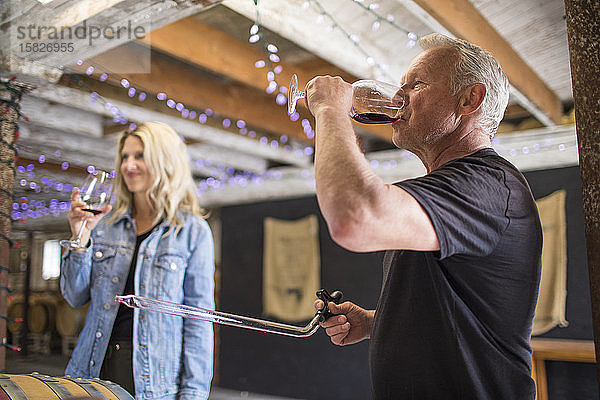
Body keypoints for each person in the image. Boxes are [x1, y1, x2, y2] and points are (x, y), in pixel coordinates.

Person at [307, 33, 542, 399]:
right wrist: (376, 322)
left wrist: (329, 110)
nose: (398, 98)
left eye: (415, 85)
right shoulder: (452, 188)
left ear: (469, 99)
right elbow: (458, 304)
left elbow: (354, 218)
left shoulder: (488, 185)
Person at [60, 121, 215, 400]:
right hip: (91, 370)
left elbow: (199, 321)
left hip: (151, 379)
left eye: (139, 155)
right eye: (124, 157)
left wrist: (193, 393)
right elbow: (74, 296)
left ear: (164, 160)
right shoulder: (105, 225)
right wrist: (79, 238)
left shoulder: (192, 232)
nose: (128, 165)